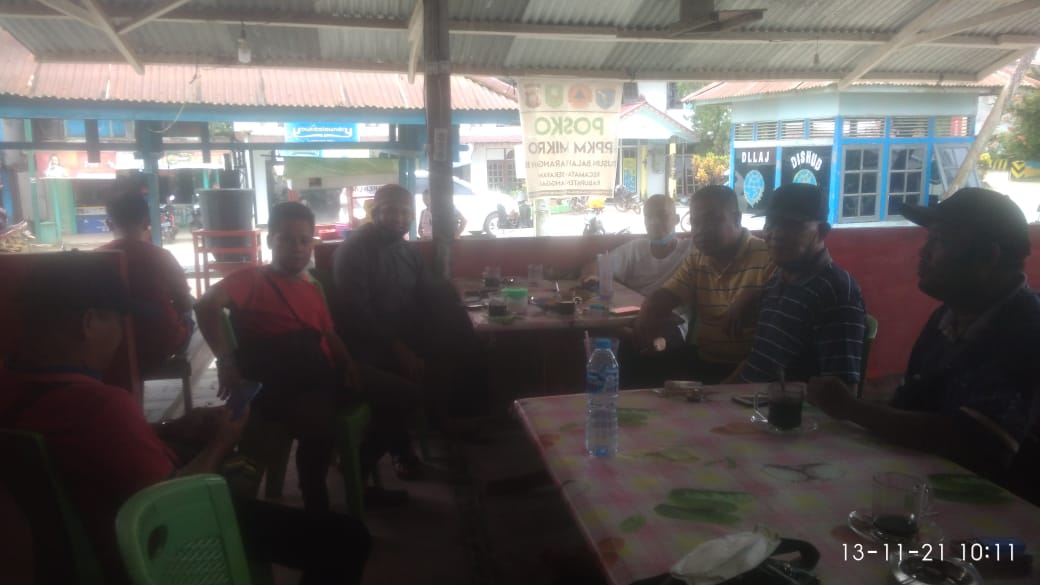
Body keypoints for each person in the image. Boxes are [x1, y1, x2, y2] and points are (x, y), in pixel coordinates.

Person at [0, 254, 371, 585]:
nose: (121, 335)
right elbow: (174, 502)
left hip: (77, 541)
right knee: (346, 539)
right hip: (158, 545)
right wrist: (222, 441)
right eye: (119, 321)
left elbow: (92, 445)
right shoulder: (101, 406)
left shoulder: (16, 385)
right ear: (89, 322)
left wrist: (169, 428)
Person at [808, 188, 1040, 498]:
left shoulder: (1026, 330)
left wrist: (852, 408)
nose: (923, 252)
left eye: (939, 240)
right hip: (927, 489)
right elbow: (912, 403)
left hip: (999, 512)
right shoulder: (949, 315)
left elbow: (975, 443)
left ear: (988, 256)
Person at [194, 202, 384, 510]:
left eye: (304, 240)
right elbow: (205, 305)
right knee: (318, 423)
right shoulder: (252, 279)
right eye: (286, 239)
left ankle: (359, 472)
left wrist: (348, 363)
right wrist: (226, 361)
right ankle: (316, 502)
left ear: (311, 244)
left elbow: (329, 334)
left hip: (325, 374)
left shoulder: (312, 288)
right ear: (270, 240)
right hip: (286, 384)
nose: (296, 248)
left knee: (405, 397)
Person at [332, 184, 487, 426]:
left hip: (406, 332)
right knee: (450, 348)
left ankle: (460, 418)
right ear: (375, 213)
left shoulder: (407, 250)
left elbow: (430, 292)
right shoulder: (354, 251)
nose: (399, 218)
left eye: (405, 212)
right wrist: (396, 347)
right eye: (390, 211)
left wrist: (470, 300)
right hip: (368, 344)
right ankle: (438, 424)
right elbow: (356, 315)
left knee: (465, 332)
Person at [633, 186, 776, 384]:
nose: (699, 231)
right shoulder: (697, 260)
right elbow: (665, 296)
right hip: (703, 363)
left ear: (736, 219)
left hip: (752, 370)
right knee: (633, 360)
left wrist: (755, 295)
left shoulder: (768, 257)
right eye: (695, 222)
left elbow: (774, 347)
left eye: (710, 220)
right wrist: (648, 312)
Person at [730, 183, 866, 385]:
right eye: (770, 224)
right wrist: (715, 392)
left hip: (780, 405)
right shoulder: (777, 281)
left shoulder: (836, 293)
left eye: (791, 225)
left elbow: (840, 392)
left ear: (823, 231)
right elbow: (759, 363)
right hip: (747, 399)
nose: (776, 234)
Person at [98, 191, 193, 374]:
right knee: (193, 309)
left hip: (112, 345)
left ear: (109, 224)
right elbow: (184, 303)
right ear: (147, 222)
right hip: (160, 344)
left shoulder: (96, 258)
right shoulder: (162, 257)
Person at [581, 194, 692, 298]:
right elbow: (596, 265)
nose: (654, 222)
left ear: (677, 219)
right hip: (637, 309)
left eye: (662, 215)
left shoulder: (690, 249)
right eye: (649, 216)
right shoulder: (636, 249)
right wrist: (591, 278)